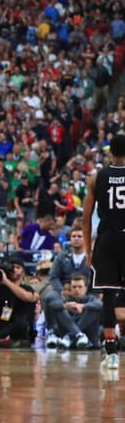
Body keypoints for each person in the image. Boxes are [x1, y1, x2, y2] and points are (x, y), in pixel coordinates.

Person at [84, 135, 125, 371]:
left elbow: (86, 218)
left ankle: (111, 351)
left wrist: (89, 249)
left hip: (107, 240)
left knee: (108, 297)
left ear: (110, 153)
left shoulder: (97, 177)